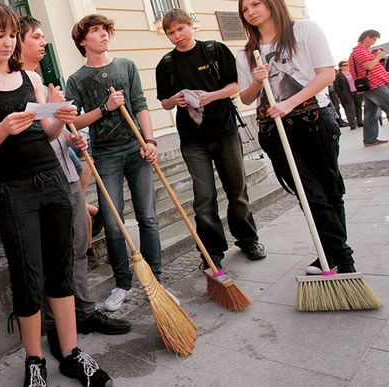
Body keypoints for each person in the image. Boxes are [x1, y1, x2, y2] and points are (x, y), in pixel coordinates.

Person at [0, 4, 112, 387]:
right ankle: (35, 362)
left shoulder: (31, 79)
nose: (7, 41)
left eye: (11, 34)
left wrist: (60, 119)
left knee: (61, 272)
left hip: (53, 181)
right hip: (13, 191)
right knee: (28, 278)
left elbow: (47, 132)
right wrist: (5, 129)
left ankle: (72, 354)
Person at [18, 15, 131, 359]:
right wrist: (54, 112)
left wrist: (73, 139)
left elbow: (57, 128)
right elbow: (32, 128)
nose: (44, 42)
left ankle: (83, 310)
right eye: (36, 37)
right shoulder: (16, 83)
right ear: (18, 41)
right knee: (57, 252)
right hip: (43, 179)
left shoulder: (42, 80)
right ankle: (57, 325)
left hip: (67, 171)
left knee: (80, 242)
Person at [236, 0, 357, 274]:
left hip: (314, 121)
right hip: (275, 131)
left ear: (272, 4)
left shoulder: (304, 30)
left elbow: (326, 74)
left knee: (331, 191)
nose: (251, 12)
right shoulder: (247, 52)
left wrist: (290, 102)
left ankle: (330, 253)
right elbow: (245, 98)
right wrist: (257, 79)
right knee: (309, 194)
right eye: (245, 9)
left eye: (256, 4)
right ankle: (344, 259)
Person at [65, 14, 166, 312]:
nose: (103, 35)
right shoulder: (77, 80)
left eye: (105, 30)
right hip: (106, 155)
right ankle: (123, 283)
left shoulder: (126, 66)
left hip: (137, 149)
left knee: (148, 216)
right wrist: (104, 108)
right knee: (112, 221)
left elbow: (141, 106)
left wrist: (150, 142)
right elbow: (74, 121)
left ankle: (155, 279)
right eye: (95, 31)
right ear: (83, 41)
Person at [155, 9, 266, 270]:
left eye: (180, 29)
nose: (176, 36)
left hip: (225, 131)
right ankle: (211, 251)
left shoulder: (215, 50)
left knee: (236, 190)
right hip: (192, 139)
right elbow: (164, 103)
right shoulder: (166, 64)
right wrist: (175, 100)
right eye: (171, 32)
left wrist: (210, 96)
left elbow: (234, 87)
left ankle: (248, 239)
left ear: (191, 26)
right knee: (203, 198)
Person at [348, 30, 389, 146]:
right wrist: (379, 57)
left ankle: (370, 139)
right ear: (367, 38)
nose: (373, 43)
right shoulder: (359, 51)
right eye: (373, 40)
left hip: (371, 86)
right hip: (374, 85)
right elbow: (368, 66)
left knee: (371, 114)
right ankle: (370, 139)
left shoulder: (360, 51)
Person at [334, 60, 363, 130]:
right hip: (347, 94)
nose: (347, 66)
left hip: (356, 92)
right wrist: (342, 94)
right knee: (350, 109)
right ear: (340, 67)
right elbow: (336, 87)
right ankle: (352, 124)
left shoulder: (352, 73)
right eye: (345, 65)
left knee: (358, 107)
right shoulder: (338, 76)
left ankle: (360, 122)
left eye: (347, 64)